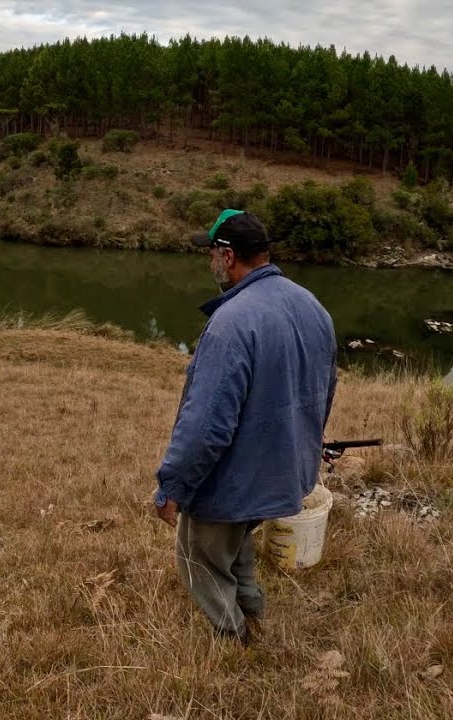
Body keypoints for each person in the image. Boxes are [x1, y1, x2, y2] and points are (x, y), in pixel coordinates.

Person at [152, 209, 338, 644]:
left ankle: (235, 638)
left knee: (200, 554)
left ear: (229, 256)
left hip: (236, 477)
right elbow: (325, 391)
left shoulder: (231, 323)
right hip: (285, 471)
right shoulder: (313, 306)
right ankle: (253, 607)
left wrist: (172, 487)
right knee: (235, 538)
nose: (209, 262)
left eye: (211, 253)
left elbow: (206, 427)